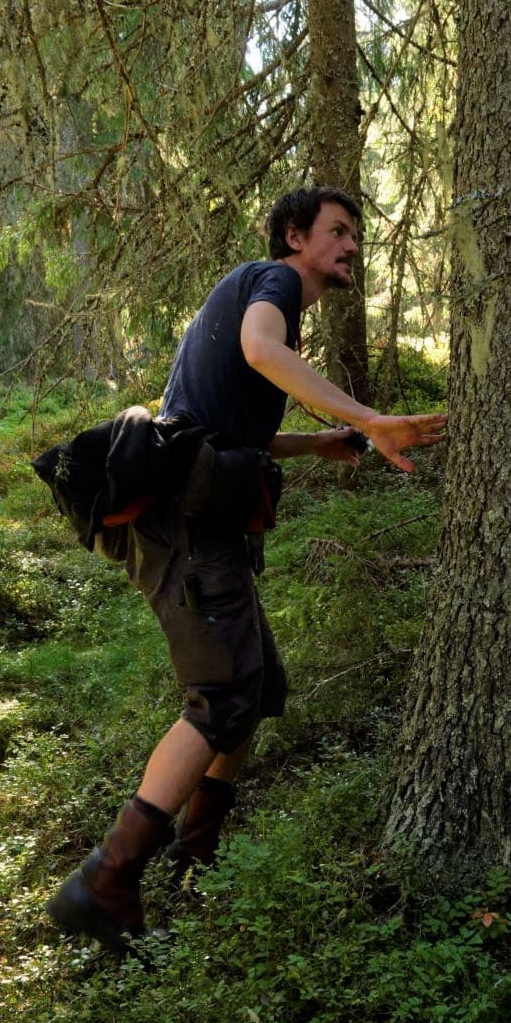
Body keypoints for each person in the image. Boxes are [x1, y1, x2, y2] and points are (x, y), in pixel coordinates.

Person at [46, 187, 448, 951]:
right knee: (224, 699)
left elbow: (209, 422)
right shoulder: (273, 284)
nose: (351, 247)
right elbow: (262, 352)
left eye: (355, 236)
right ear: (293, 237)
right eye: (337, 232)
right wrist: (366, 418)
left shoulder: (251, 295)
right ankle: (105, 881)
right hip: (188, 530)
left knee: (259, 689)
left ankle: (199, 858)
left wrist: (313, 441)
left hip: (202, 524)